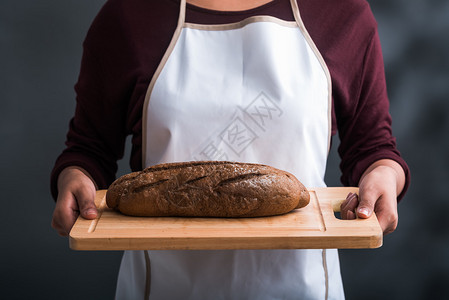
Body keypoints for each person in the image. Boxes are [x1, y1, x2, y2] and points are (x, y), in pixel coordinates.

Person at [51, 0, 410, 299]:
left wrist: (382, 175)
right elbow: (89, 149)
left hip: (301, 287)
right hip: (161, 286)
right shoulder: (128, 16)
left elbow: (372, 146)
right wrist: (76, 176)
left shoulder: (340, 13)